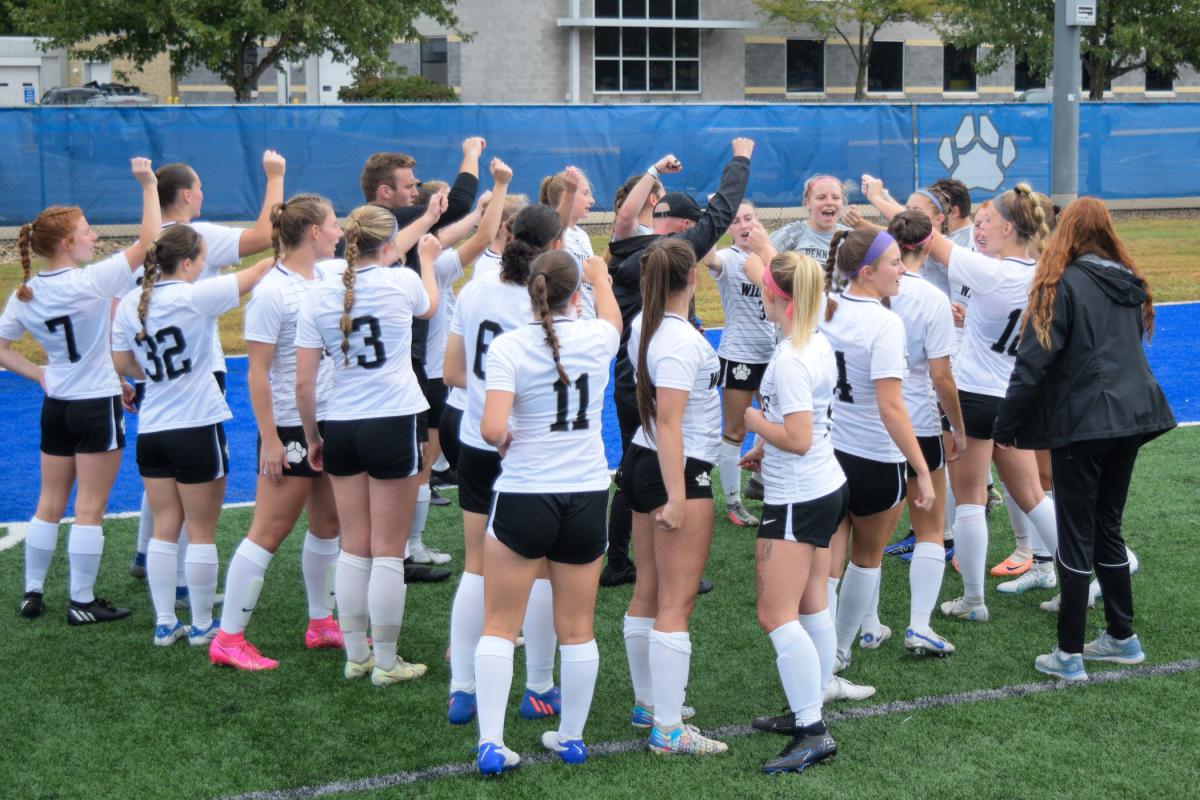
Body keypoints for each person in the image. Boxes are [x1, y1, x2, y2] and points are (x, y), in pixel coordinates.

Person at [992, 197, 1174, 681]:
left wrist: (1006, 427)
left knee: (1076, 536)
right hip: (1133, 419)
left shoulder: (1061, 283)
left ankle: (1070, 653)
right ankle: (1121, 636)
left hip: (1085, 424)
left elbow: (1032, 364)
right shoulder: (1127, 280)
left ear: (1065, 231)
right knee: (1106, 527)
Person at [866, 178, 1063, 619]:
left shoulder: (989, 270)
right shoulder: (1043, 273)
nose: (978, 228)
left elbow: (921, 234)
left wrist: (884, 204)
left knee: (970, 498)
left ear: (1011, 228)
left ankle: (974, 600)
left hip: (975, 395)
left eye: (988, 221)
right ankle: (1083, 577)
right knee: (1032, 496)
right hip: (1014, 396)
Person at [472, 251, 621, 775]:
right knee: (578, 628)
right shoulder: (600, 337)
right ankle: (572, 737)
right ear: (574, 293)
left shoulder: (510, 346)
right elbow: (613, 321)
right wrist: (601, 277)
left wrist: (508, 436)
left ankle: (491, 741)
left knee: (498, 624)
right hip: (584, 495)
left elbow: (492, 429)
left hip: (526, 494)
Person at [5, 157, 159, 623]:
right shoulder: (89, 281)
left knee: (48, 503)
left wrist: (40, 375)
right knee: (89, 507)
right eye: (87, 230)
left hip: (56, 406)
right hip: (94, 405)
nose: (93, 237)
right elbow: (151, 243)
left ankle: (32, 593)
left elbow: (1, 347)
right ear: (66, 243)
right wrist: (148, 184)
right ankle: (82, 601)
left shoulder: (25, 293)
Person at [294, 204, 441, 686]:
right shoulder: (402, 281)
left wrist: (313, 437)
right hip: (391, 419)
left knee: (353, 547)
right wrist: (431, 264)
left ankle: (357, 654)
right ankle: (386, 662)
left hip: (341, 422)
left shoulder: (317, 294)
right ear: (388, 243)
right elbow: (430, 306)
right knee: (387, 550)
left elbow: (304, 384)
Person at [130, 153, 286, 588]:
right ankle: (184, 587)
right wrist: (275, 177)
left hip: (155, 367)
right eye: (198, 188)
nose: (203, 194)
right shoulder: (192, 236)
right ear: (185, 195)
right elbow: (264, 238)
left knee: (162, 479)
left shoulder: (145, 245)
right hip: (197, 368)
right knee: (194, 491)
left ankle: (148, 554)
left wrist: (124, 374)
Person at [112, 225, 274, 647]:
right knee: (201, 532)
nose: (206, 265)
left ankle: (165, 623)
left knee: (165, 528)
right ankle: (202, 624)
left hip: (153, 428)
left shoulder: (131, 303)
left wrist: (154, 374)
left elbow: (120, 361)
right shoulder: (195, 295)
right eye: (202, 259)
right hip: (196, 425)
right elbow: (256, 273)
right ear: (186, 262)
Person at [604, 140, 754, 590]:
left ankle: (618, 560)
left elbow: (626, 217)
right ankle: (674, 563)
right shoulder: (673, 251)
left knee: (633, 469)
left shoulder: (626, 248)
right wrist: (740, 159)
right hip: (667, 379)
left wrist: (651, 168)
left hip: (631, 377)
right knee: (675, 470)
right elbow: (723, 213)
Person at [206, 194, 346, 670]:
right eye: (332, 224)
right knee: (270, 529)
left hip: (329, 418)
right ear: (311, 231)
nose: (340, 231)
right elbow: (257, 373)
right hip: (289, 425)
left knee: (329, 525)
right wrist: (269, 438)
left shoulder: (328, 276)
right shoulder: (272, 291)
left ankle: (321, 622)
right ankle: (228, 638)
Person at [443, 203, 562, 724]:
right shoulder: (550, 307)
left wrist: (489, 407)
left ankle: (462, 684)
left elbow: (451, 371)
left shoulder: (474, 289)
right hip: (527, 452)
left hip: (475, 440)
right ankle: (538, 686)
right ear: (553, 247)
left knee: (476, 566)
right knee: (538, 571)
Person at [736, 251, 845, 773]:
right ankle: (811, 706)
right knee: (812, 605)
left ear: (780, 299)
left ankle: (812, 728)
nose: (760, 298)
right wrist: (768, 442)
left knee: (774, 614)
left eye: (764, 291)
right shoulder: (811, 342)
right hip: (824, 486)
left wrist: (754, 422)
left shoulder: (790, 357)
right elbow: (805, 426)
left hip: (798, 494)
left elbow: (797, 438)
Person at [621, 239, 725, 756]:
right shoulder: (680, 340)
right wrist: (680, 496)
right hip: (672, 468)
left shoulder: (643, 322)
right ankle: (667, 730)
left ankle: (649, 704)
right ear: (695, 278)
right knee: (676, 602)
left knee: (649, 586)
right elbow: (670, 421)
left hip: (643, 461)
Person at [818, 228, 934, 678]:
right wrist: (921, 470)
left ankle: (825, 653)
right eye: (893, 263)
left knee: (828, 565)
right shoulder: (885, 323)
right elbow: (890, 406)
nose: (902, 268)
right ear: (867, 272)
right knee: (865, 560)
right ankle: (839, 653)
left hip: (831, 452)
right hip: (875, 459)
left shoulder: (826, 307)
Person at [409, 159, 514, 567]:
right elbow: (485, 233)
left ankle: (406, 546)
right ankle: (408, 546)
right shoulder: (448, 269)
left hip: (429, 384)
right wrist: (491, 194)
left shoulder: (408, 267)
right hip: (445, 387)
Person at [887, 211, 966, 655]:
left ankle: (865, 625)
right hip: (915, 420)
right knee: (931, 527)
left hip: (862, 427)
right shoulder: (932, 298)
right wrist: (957, 426)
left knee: (863, 535)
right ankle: (919, 625)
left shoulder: (852, 293)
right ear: (929, 241)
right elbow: (941, 376)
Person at [702, 200, 772, 528]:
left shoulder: (771, 255)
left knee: (783, 424)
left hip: (774, 356)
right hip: (740, 357)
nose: (743, 225)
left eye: (749, 218)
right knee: (735, 430)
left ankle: (767, 484)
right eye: (734, 221)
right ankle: (732, 501)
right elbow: (707, 256)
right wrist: (712, 219)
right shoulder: (728, 260)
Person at [541, 166, 597, 318]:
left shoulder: (583, 235)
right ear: (566, 195)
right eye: (585, 193)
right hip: (564, 319)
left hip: (587, 321)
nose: (591, 200)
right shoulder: (552, 232)